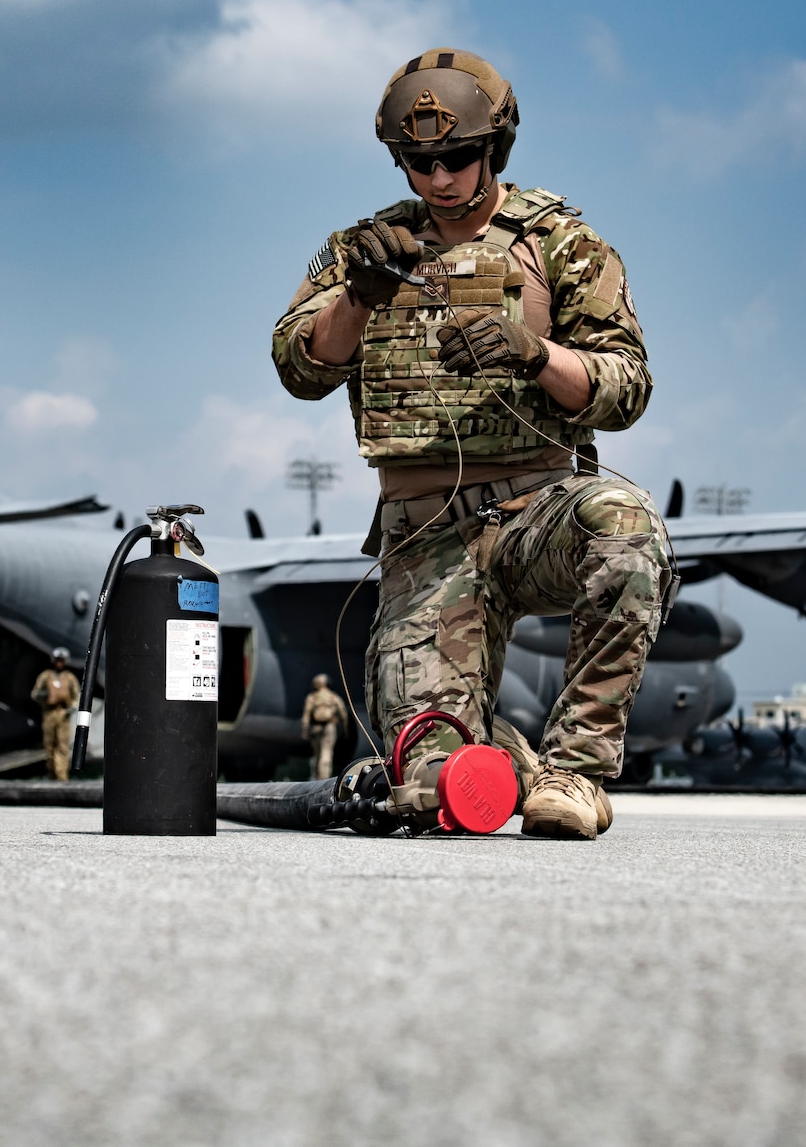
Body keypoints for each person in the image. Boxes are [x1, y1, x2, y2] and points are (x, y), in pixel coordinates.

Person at [270, 48, 669, 839]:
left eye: (458, 158)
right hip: (424, 540)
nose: (440, 178)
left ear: (497, 149)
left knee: (626, 528)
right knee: (434, 786)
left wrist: (535, 352)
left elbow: (628, 387)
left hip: (539, 514)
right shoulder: (360, 249)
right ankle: (505, 763)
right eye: (419, 163)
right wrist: (359, 298)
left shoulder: (561, 243)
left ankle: (577, 774)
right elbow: (297, 366)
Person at [31, 648, 81, 781]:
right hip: (49, 713)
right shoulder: (46, 676)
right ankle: (51, 773)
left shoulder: (69, 677)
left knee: (62, 745)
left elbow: (76, 696)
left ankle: (62, 776)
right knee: (49, 745)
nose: (59, 663)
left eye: (62, 661)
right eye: (57, 661)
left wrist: (72, 708)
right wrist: (43, 696)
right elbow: (35, 693)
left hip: (63, 713)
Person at [300, 673, 344, 781]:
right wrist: (346, 728)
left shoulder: (312, 698)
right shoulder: (333, 696)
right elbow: (343, 713)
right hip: (329, 727)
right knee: (326, 754)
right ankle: (323, 779)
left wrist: (305, 731)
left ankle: (316, 778)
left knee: (317, 755)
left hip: (316, 727)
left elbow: (306, 716)